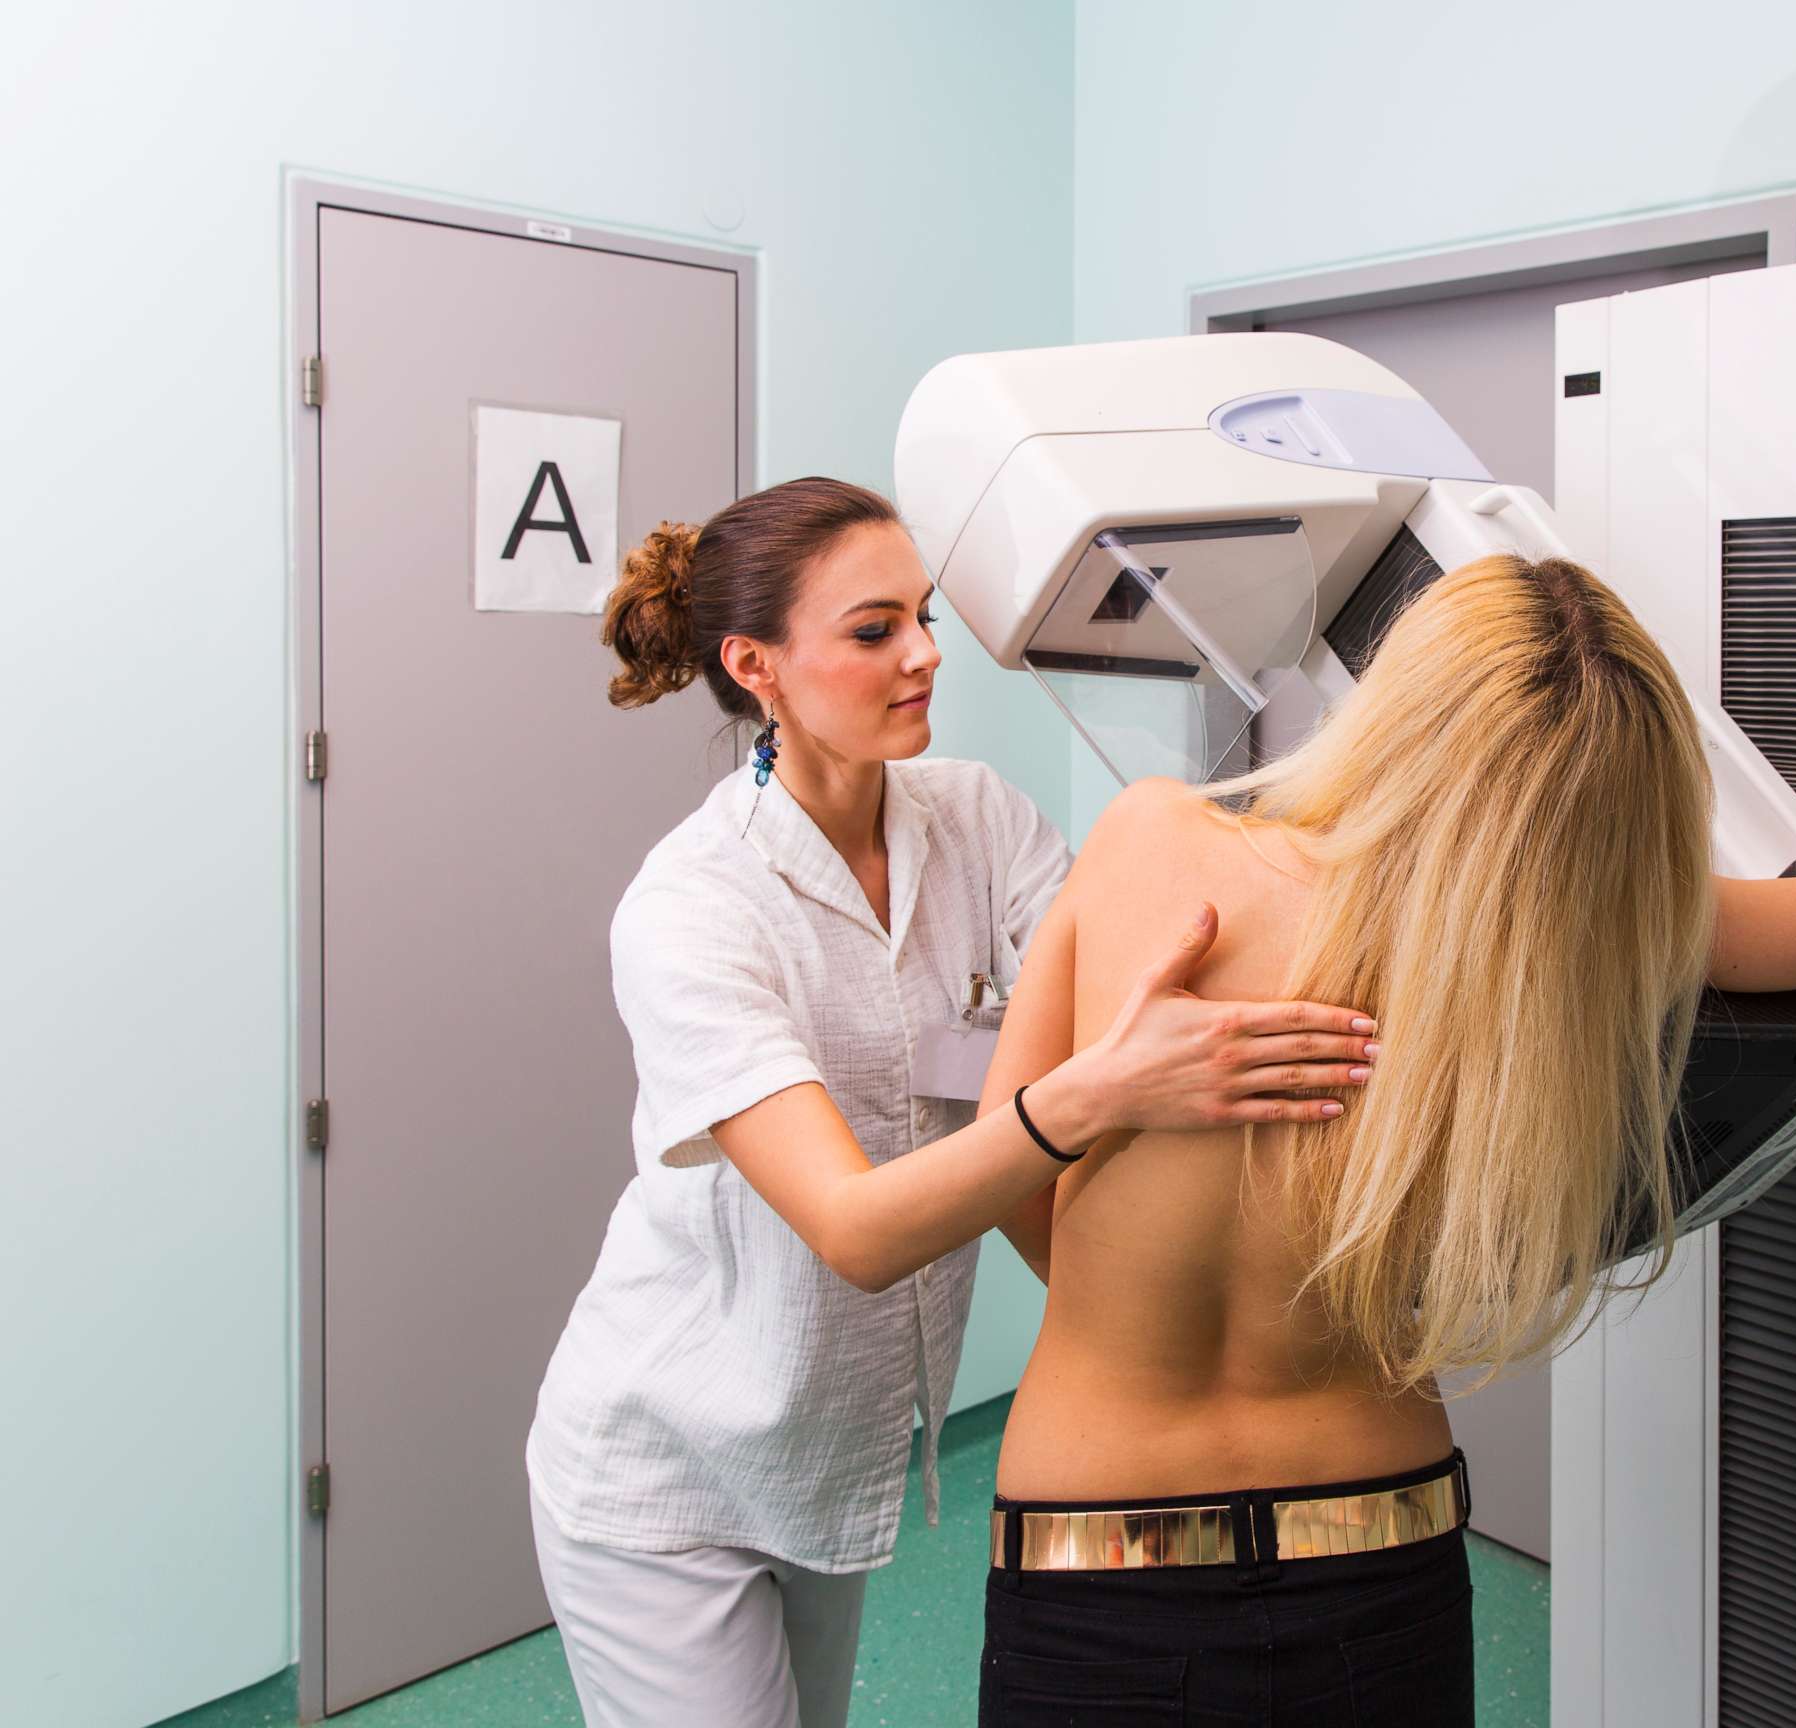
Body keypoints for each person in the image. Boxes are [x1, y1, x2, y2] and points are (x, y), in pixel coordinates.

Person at [973, 553, 1796, 1725]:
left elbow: (1010, 1172)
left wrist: (1121, 1307)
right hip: (1379, 1537)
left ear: (1398, 706)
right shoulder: (1598, 929)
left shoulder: (1153, 841)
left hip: (1097, 1547)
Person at [523, 476, 1378, 1728]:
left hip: (826, 1452)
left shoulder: (976, 818)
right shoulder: (693, 911)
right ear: (755, 664)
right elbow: (859, 1228)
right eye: (875, 632)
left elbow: (1129, 981)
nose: (926, 654)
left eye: (921, 616)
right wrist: (1094, 1095)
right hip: (671, 1461)